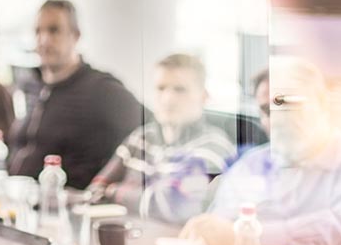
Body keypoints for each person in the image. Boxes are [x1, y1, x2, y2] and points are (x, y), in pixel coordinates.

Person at [181, 57, 341, 245]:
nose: (279, 118)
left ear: (323, 104)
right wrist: (209, 229)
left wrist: (249, 236)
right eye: (267, 110)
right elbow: (222, 218)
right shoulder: (251, 164)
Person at [8, 0, 145, 189]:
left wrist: (113, 184)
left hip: (67, 205)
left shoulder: (101, 89)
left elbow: (149, 129)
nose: (44, 40)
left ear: (75, 35)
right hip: (17, 201)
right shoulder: (31, 84)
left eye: (54, 30)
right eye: (38, 31)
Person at [87, 54, 235, 224]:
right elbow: (94, 190)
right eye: (161, 88)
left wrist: (114, 192)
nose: (168, 99)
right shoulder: (141, 137)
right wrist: (135, 196)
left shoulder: (214, 147)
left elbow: (175, 206)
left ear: (203, 96)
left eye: (180, 89)